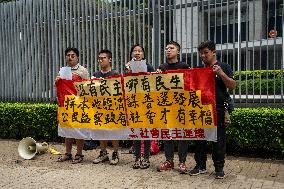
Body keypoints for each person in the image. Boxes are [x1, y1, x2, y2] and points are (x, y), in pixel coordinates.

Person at [188, 40, 236, 179]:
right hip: (200, 109)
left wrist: (221, 73)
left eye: (206, 53)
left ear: (214, 52)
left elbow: (232, 85)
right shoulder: (198, 69)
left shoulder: (223, 66)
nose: (203, 56)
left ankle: (219, 168)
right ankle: (200, 166)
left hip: (218, 108)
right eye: (201, 53)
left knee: (218, 140)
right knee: (199, 139)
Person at [156, 41, 190, 174]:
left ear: (178, 51)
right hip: (166, 106)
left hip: (181, 105)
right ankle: (169, 160)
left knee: (182, 135)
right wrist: (156, 77)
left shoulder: (184, 66)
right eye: (166, 48)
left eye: (171, 48)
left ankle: (182, 162)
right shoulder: (162, 67)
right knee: (167, 135)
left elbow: (189, 85)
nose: (168, 50)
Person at [56, 47, 89, 164]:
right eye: (68, 55)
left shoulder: (83, 71)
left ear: (77, 57)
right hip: (65, 105)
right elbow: (59, 90)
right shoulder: (62, 71)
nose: (70, 57)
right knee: (67, 130)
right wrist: (57, 82)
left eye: (72, 55)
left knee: (79, 130)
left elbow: (87, 88)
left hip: (78, 104)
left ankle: (79, 154)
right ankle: (68, 153)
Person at [126, 44, 155, 169]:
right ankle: (137, 158)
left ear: (143, 54)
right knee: (137, 132)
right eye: (135, 51)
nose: (137, 53)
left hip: (147, 102)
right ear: (132, 53)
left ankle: (146, 158)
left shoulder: (149, 66)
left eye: (140, 51)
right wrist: (128, 72)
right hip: (134, 103)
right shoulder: (127, 66)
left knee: (146, 132)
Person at [92, 49, 120, 165]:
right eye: (99, 58)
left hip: (112, 107)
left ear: (110, 59)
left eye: (103, 58)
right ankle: (103, 153)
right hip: (99, 108)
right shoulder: (95, 75)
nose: (101, 60)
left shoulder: (115, 74)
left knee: (113, 131)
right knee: (101, 131)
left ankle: (115, 152)